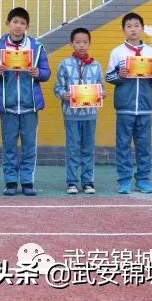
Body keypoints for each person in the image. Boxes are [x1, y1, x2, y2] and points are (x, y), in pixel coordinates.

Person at [0, 7, 51, 197]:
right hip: (8, 106)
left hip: (30, 105)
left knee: (30, 145)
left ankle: (28, 181)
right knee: (9, 145)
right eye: (15, 22)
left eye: (22, 23)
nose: (18, 26)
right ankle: (11, 181)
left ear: (27, 26)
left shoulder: (37, 47)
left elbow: (46, 73)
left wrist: (39, 73)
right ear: (8, 23)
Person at [106, 12, 152, 194]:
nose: (133, 29)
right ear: (124, 30)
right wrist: (119, 76)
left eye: (136, 25)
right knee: (123, 145)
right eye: (129, 26)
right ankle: (124, 180)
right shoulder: (117, 52)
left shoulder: (151, 52)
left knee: (144, 146)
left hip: (145, 108)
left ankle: (143, 180)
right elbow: (109, 76)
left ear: (142, 28)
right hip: (125, 108)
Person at [54, 28, 103, 195]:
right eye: (77, 42)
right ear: (71, 43)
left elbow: (101, 87)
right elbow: (58, 88)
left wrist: (101, 94)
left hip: (90, 114)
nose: (81, 45)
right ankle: (72, 182)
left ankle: (88, 181)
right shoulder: (64, 65)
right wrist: (64, 94)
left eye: (85, 42)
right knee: (73, 148)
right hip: (71, 115)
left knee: (88, 148)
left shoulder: (96, 65)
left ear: (90, 43)